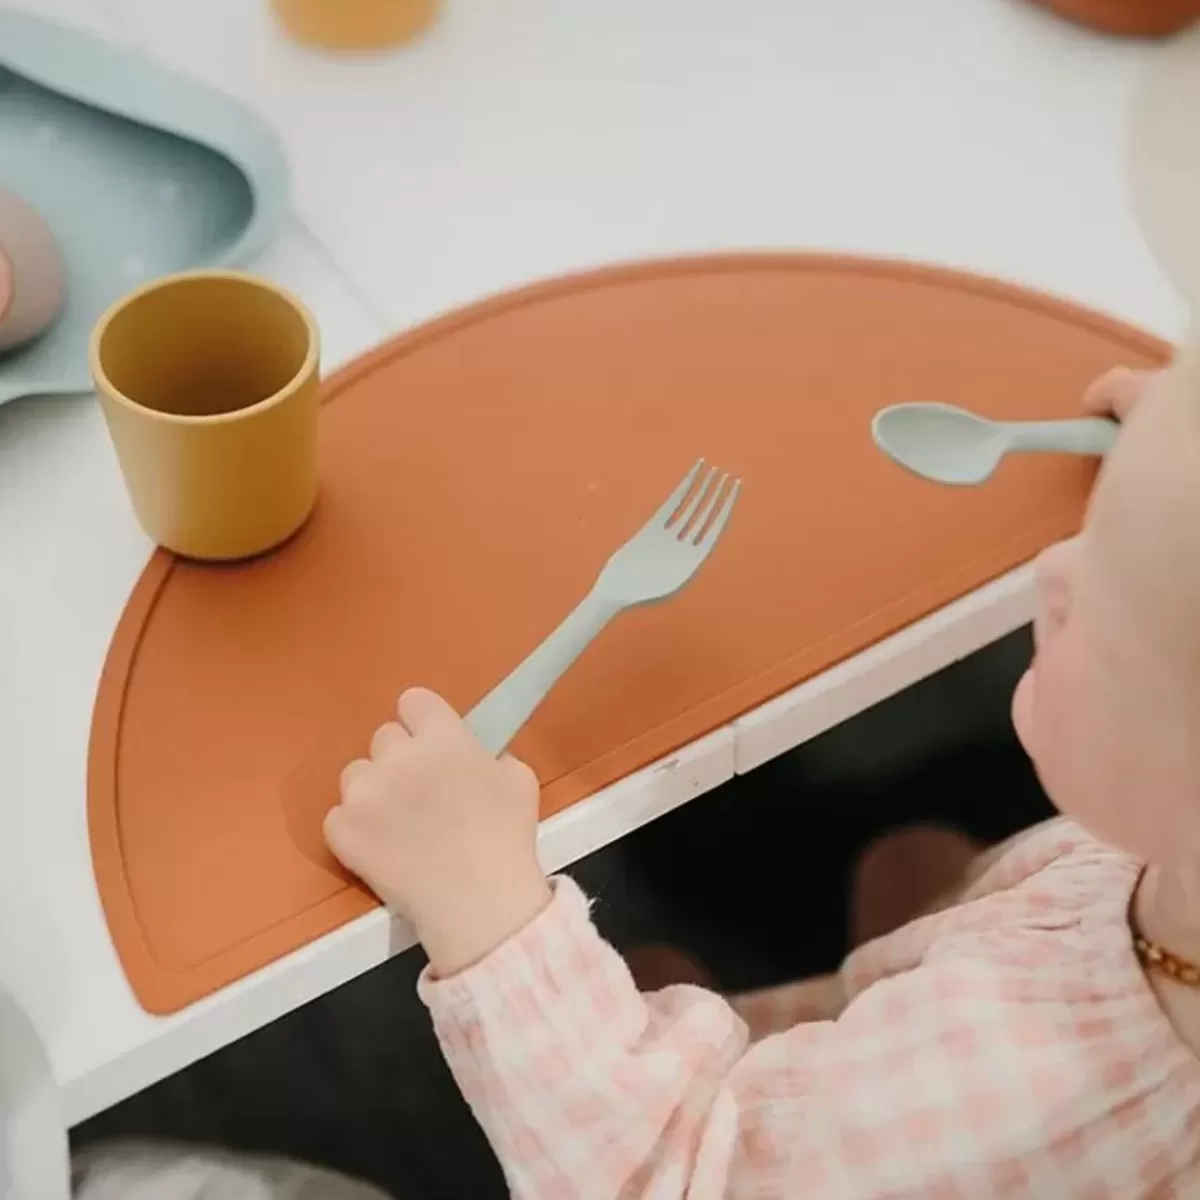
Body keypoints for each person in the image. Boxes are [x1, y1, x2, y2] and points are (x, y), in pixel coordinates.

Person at [324, 361, 1200, 1197]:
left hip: (785, 1135)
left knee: (657, 963)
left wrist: (481, 901)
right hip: (971, 990)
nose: (1056, 570)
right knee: (910, 861)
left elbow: (666, 1176)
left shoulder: (1025, 1092)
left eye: (1108, 593)